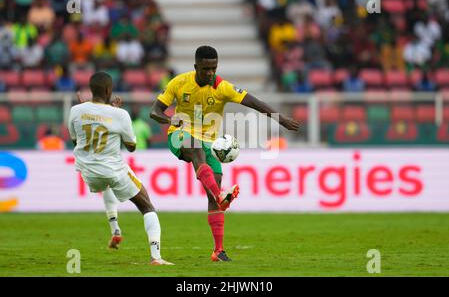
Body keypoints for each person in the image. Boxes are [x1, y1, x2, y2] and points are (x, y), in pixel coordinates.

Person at [150, 46, 300, 262]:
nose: (211, 73)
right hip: (180, 135)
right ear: (196, 67)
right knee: (196, 149)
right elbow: (154, 112)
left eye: (214, 68)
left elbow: (254, 102)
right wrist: (170, 119)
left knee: (213, 192)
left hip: (210, 142)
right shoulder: (179, 83)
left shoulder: (223, 87)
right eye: (205, 69)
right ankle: (221, 195)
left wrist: (280, 118)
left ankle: (218, 250)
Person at [69, 72, 173, 265]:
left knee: (105, 185)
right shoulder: (120, 114)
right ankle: (156, 257)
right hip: (113, 169)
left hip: (87, 173)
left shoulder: (76, 110)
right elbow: (132, 147)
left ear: (91, 89)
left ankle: (115, 229)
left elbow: (75, 139)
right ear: (109, 90)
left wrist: (93, 116)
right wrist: (115, 117)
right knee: (147, 206)